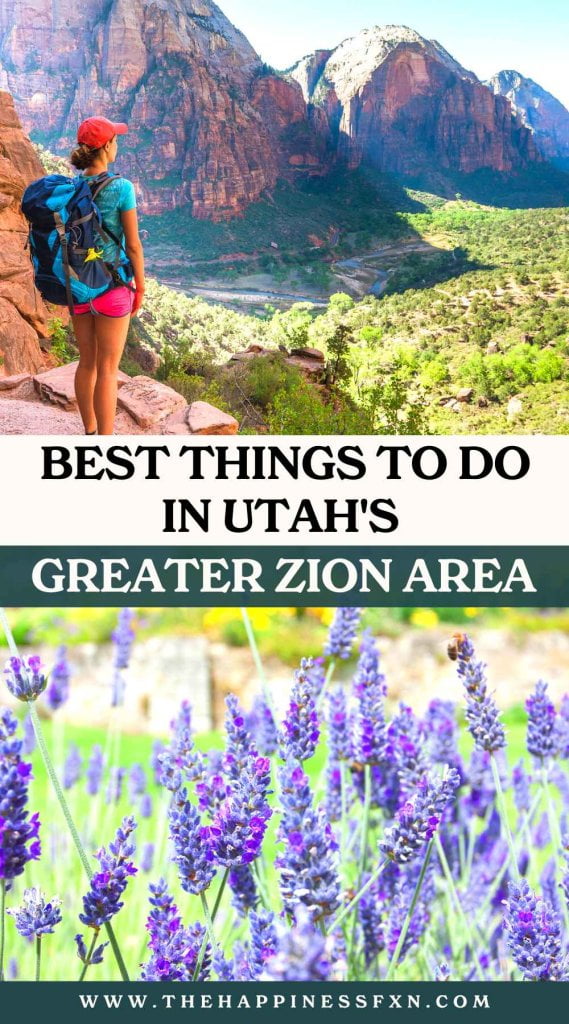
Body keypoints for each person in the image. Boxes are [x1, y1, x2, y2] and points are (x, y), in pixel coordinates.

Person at [69, 116, 146, 435]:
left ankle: (88, 430)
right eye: (115, 139)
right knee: (108, 369)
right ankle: (106, 442)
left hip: (77, 286)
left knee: (86, 362)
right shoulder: (121, 187)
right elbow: (133, 245)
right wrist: (139, 286)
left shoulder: (70, 188)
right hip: (112, 288)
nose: (118, 144)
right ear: (106, 146)